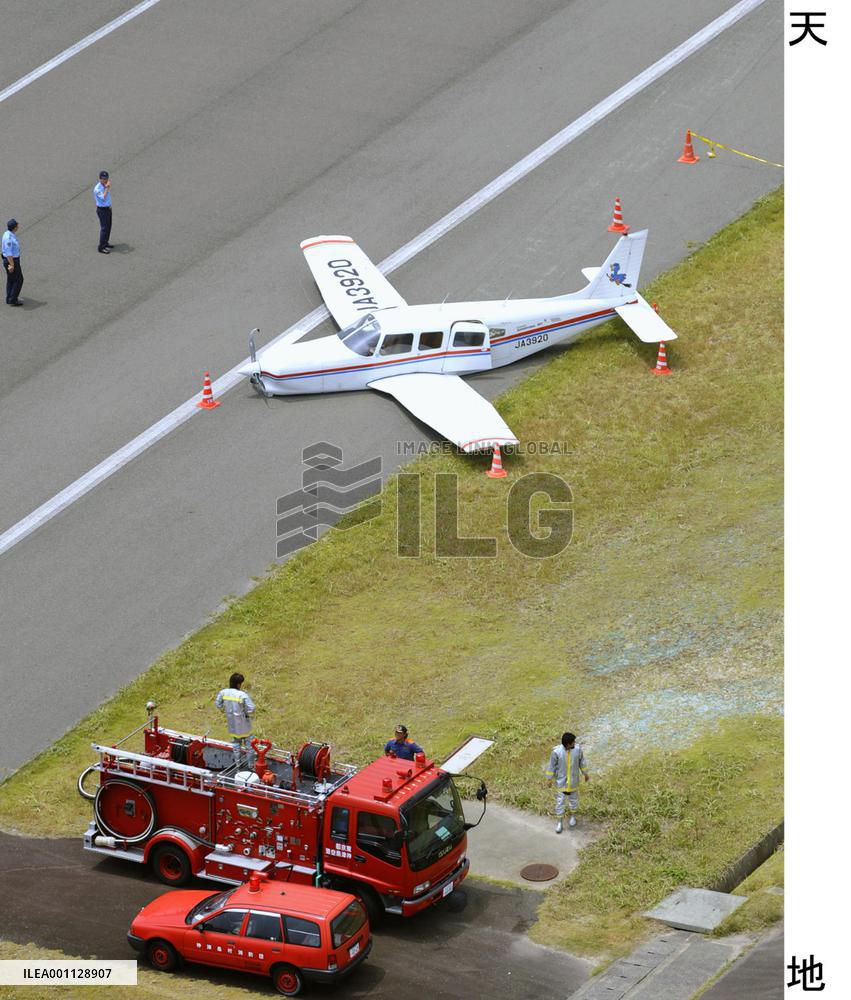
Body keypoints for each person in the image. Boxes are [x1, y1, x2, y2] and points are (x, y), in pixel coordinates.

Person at [546, 731, 589, 833]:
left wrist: (585, 773)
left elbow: (582, 762)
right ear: (568, 744)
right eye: (573, 742)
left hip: (573, 781)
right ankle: (559, 822)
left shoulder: (577, 750)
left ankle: (573, 816)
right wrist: (549, 779)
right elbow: (551, 766)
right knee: (560, 802)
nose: (575, 743)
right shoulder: (556, 752)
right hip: (561, 782)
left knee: (573, 800)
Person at [215, 672, 256, 762]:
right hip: (244, 725)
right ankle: (250, 766)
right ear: (238, 684)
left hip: (232, 724)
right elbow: (252, 708)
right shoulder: (242, 695)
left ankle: (238, 765)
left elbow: (218, 704)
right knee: (249, 746)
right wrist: (246, 713)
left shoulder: (223, 692)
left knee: (236, 745)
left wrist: (225, 710)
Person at [92, 170, 114, 254]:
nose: (105, 180)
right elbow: (103, 198)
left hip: (108, 208)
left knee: (109, 227)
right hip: (102, 210)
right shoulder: (97, 188)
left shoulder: (104, 185)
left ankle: (105, 243)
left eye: (106, 178)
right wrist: (107, 188)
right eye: (103, 179)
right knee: (104, 228)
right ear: (100, 179)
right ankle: (101, 247)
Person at [3, 219, 23, 306]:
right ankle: (13, 299)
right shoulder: (8, 238)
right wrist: (12, 265)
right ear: (14, 228)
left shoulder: (7, 233)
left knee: (11, 279)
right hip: (12, 260)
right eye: (17, 225)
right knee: (19, 280)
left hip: (11, 260)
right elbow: (9, 254)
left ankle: (9, 298)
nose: (18, 226)